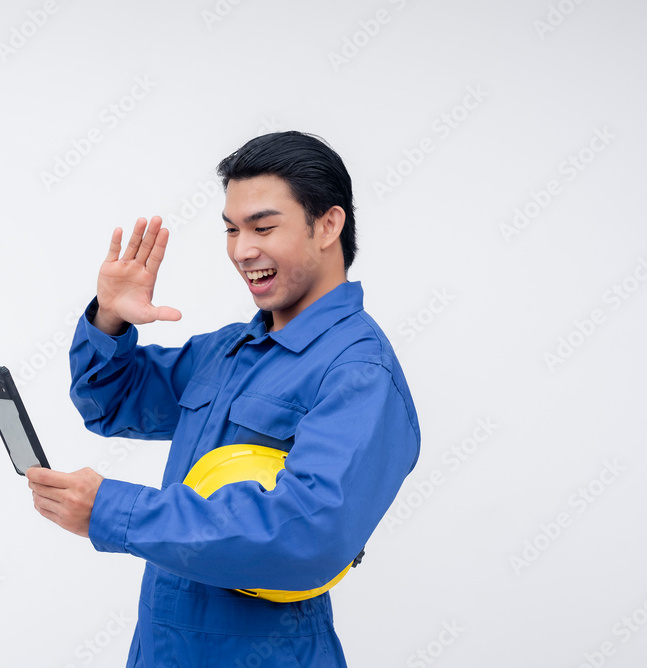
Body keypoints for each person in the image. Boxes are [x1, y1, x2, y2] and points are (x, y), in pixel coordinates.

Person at [26, 131, 421, 667]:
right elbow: (110, 401)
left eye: (263, 227)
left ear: (328, 225)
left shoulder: (358, 371)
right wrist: (110, 316)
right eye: (232, 230)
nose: (241, 250)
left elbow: (307, 534)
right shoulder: (231, 350)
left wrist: (113, 510)